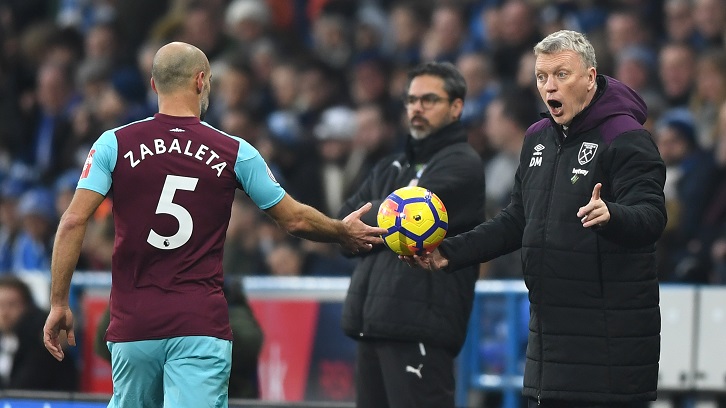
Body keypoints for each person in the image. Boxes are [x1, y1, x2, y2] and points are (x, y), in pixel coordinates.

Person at [42, 41, 386, 408]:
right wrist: (341, 231)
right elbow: (296, 219)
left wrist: (59, 302)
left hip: (134, 323)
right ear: (201, 81)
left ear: (155, 85)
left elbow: (73, 220)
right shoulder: (235, 151)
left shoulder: (114, 144)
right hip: (199, 324)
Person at [406, 30, 666, 408]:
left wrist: (613, 215)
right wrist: (450, 252)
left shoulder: (625, 137)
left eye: (562, 74)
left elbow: (652, 217)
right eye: (542, 76)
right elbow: (516, 220)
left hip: (610, 345)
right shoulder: (538, 138)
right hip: (548, 342)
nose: (549, 86)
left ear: (590, 78)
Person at [337, 61, 486, 408]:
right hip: (372, 323)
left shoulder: (462, 163)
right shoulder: (392, 164)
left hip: (420, 325)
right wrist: (354, 227)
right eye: (411, 100)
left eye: (429, 100)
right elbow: (343, 228)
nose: (417, 108)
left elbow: (405, 224)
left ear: (456, 107)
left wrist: (369, 219)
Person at [0, 275, 78, 391]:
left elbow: (23, 388)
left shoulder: (42, 342)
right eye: (0, 305)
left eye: (12, 305)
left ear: (26, 307)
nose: (4, 313)